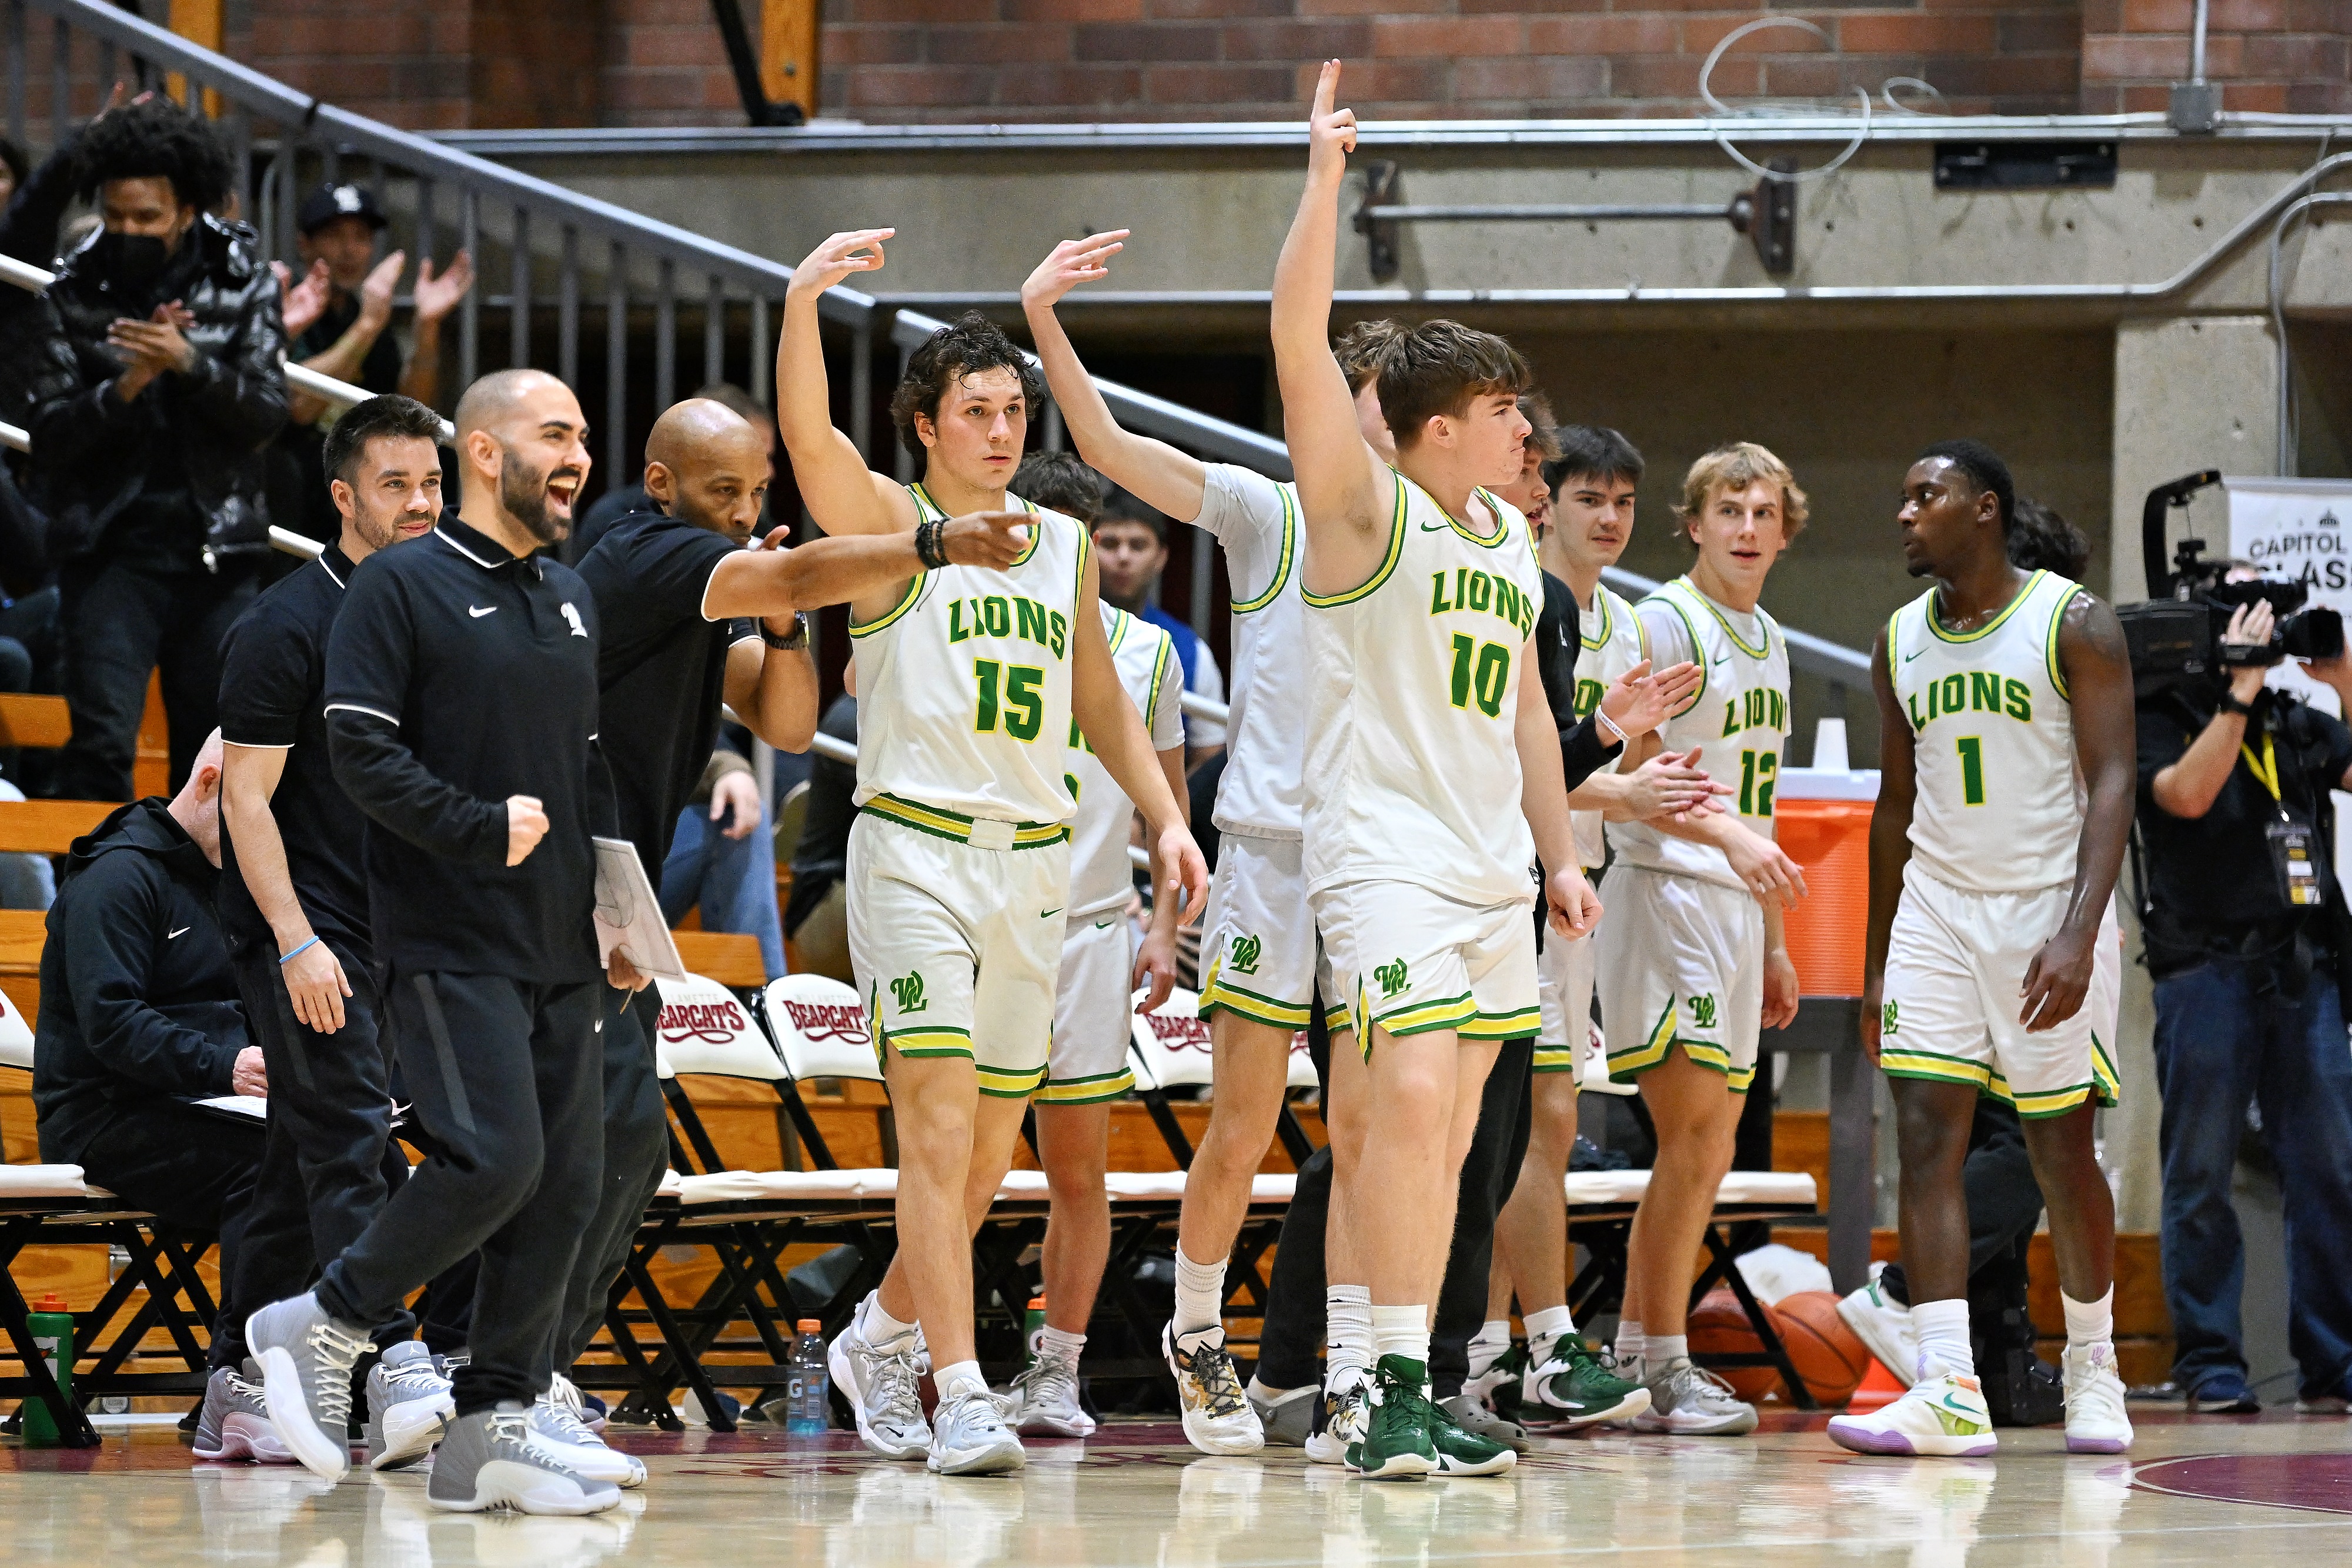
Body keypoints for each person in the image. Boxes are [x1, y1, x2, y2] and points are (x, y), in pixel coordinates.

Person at [777, 250, 1207, 1475]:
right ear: (923, 426)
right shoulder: (887, 524)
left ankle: (880, 1334)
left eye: (1012, 408)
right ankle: (957, 1382)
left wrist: (1162, 818)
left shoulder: (1065, 545)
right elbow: (805, 436)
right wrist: (803, 304)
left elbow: (1100, 700)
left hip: (1036, 872)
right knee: (935, 1123)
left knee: (978, 1163)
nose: (1001, 426)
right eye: (975, 408)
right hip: (913, 849)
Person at [560, 392, 1030, 1455]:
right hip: (560, 876)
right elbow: (807, 572)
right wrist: (936, 542)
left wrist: (778, 626)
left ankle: (531, 1363)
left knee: (626, 1148)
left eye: (757, 490)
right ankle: (492, 1362)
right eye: (723, 490)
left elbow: (786, 719)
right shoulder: (638, 551)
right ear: (662, 484)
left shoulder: (704, 583)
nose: (743, 510)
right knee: (582, 1143)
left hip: (613, 884)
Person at [1268, 61, 1599, 1481]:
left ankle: (1404, 1377)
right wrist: (1323, 179)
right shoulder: (1363, 516)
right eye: (1505, 413)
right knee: (1402, 1105)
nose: (1530, 435)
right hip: (1384, 853)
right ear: (1438, 425)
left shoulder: (1501, 547)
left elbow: (1528, 710)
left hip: (1489, 864)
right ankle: (1374, 1388)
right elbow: (1291, 340)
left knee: (1459, 1128)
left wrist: (1564, 853)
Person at [243, 369, 629, 1515]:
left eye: (582, 434)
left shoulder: (566, 595)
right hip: (431, 930)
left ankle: (494, 1422)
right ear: (483, 447)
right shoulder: (387, 591)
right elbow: (343, 762)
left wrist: (615, 907)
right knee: (490, 1157)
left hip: (557, 937)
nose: (574, 453)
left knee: (567, 1179)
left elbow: (580, 770)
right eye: (553, 432)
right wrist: (469, 833)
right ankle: (327, 1319)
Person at [1021, 237, 1374, 1455]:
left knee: (1374, 1132)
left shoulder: (1435, 541)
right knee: (1243, 1118)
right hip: (1271, 854)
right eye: (1347, 408)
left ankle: (1358, 1373)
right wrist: (1044, 324)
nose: (1356, 431)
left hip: (1380, 861)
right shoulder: (1259, 509)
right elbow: (1114, 454)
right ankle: (1196, 1335)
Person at [1829, 439, 2137, 1458]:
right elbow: (1895, 806)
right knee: (1925, 1139)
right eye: (1905, 496)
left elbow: (2112, 782)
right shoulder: (1899, 640)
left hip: (2047, 911)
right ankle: (1948, 1382)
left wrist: (2081, 930)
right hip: (1939, 910)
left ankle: (2095, 1366)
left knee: (2058, 1150)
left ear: (1987, 508)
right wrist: (1876, 964)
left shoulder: (2073, 621)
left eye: (1929, 495)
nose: (1908, 513)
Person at [215, 393, 449, 1471]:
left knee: (296, 1157)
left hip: (411, 934)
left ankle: (234, 1377)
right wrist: (298, 941)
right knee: (353, 1130)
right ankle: (397, 1354)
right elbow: (245, 800)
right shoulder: (283, 623)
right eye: (394, 484)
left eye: (431, 483)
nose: (418, 502)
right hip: (309, 931)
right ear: (344, 496)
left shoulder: (444, 611)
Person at [1476, 425, 1725, 1428]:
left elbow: (1614, 775)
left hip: (1573, 883)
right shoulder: (1524, 597)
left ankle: (1499, 1350)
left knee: (1536, 1124)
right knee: (1520, 1123)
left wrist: (1637, 787)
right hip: (1522, 883)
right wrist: (1620, 779)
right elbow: (1538, 762)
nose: (1608, 517)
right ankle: (1529, 1344)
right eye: (1588, 497)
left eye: (1625, 501)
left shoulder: (1613, 620)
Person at [1599, 441, 1811, 1437]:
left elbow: (1758, 799)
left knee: (1711, 1145)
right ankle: (1658, 1357)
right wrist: (1724, 852)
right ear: (1694, 523)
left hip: (1732, 904)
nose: (1747, 529)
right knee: (1690, 1137)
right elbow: (1633, 774)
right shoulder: (1665, 619)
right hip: (1665, 887)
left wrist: (1773, 940)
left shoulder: (1770, 637)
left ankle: (1640, 1353)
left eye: (1765, 513)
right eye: (1730, 510)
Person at [2125, 559, 2352, 1415]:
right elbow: (2184, 795)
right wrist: (2238, 697)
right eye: (2242, 604)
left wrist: (2342, 678)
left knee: (2330, 1167)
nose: (2262, 618)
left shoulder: (2297, 722)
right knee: (2201, 1172)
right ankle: (2211, 1359)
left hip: (2304, 966)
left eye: (2270, 604)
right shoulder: (2159, 715)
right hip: (2204, 968)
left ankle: (2334, 1357)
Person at [30, 733, 298, 1450]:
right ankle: (236, 1382)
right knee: (272, 1168)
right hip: (106, 1115)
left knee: (364, 1162)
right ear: (211, 782)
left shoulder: (234, 889)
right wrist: (226, 1067)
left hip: (207, 1107)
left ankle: (350, 1372)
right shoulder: (116, 880)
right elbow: (112, 1026)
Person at [19, 95, 286, 800]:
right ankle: (92, 905)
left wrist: (190, 364)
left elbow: (265, 413)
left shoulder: (244, 280)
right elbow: (47, 439)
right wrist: (127, 388)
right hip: (110, 550)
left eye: (147, 218)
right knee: (101, 742)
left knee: (211, 753)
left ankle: (197, 909)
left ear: (189, 209)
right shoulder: (71, 290)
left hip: (217, 551)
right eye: (114, 216)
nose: (128, 231)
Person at [996, 449, 1187, 1437]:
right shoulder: (972, 623)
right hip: (986, 918)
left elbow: (1169, 806)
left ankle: (1055, 1370)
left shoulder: (1149, 652)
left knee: (1078, 1172)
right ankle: (908, 1350)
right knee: (963, 1164)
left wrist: (1161, 924)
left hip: (1089, 929)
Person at [275, 181, 472, 541]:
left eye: (361, 237)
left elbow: (412, 409)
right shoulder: (288, 304)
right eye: (335, 236)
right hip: (299, 474)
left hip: (363, 469)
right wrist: (367, 327)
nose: (350, 250)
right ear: (305, 244)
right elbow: (299, 406)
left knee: (446, 462)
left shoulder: (363, 309)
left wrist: (427, 326)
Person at [1090, 487, 1227, 768]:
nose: (1124, 557)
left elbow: (1208, 757)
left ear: (1161, 558)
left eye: (1138, 545)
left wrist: (1154, 812)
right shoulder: (1055, 628)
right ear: (1088, 547)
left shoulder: (1190, 651)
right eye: (1110, 544)